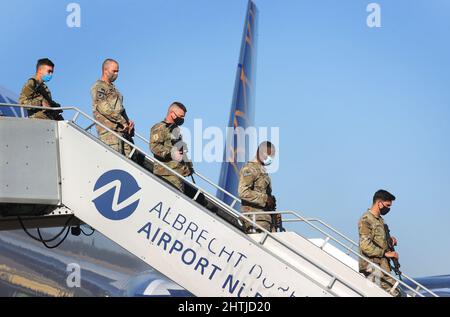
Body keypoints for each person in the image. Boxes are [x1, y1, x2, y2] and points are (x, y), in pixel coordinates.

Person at [358, 189, 402, 297]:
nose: (388, 208)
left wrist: (390, 241)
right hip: (372, 266)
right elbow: (365, 245)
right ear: (379, 203)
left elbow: (378, 240)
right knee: (395, 293)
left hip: (381, 266)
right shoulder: (366, 219)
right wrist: (385, 253)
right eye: (387, 205)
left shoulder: (380, 220)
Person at [91, 59, 134, 157]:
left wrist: (127, 121)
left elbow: (120, 108)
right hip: (109, 133)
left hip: (122, 131)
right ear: (105, 70)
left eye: (117, 71)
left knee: (130, 163)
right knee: (117, 163)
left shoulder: (114, 89)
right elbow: (104, 108)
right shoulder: (98, 87)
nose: (116, 74)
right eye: (114, 71)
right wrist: (122, 121)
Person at [150, 102, 194, 192]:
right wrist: (172, 152)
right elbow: (154, 147)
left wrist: (188, 166)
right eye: (181, 116)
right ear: (172, 114)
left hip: (178, 176)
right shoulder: (159, 128)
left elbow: (180, 152)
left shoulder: (176, 130)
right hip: (166, 176)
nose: (182, 119)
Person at [238, 141, 280, 233]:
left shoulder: (262, 171)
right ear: (260, 152)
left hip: (265, 220)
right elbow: (243, 192)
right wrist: (265, 199)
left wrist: (272, 209)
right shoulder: (249, 169)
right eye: (269, 155)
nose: (270, 159)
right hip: (254, 220)